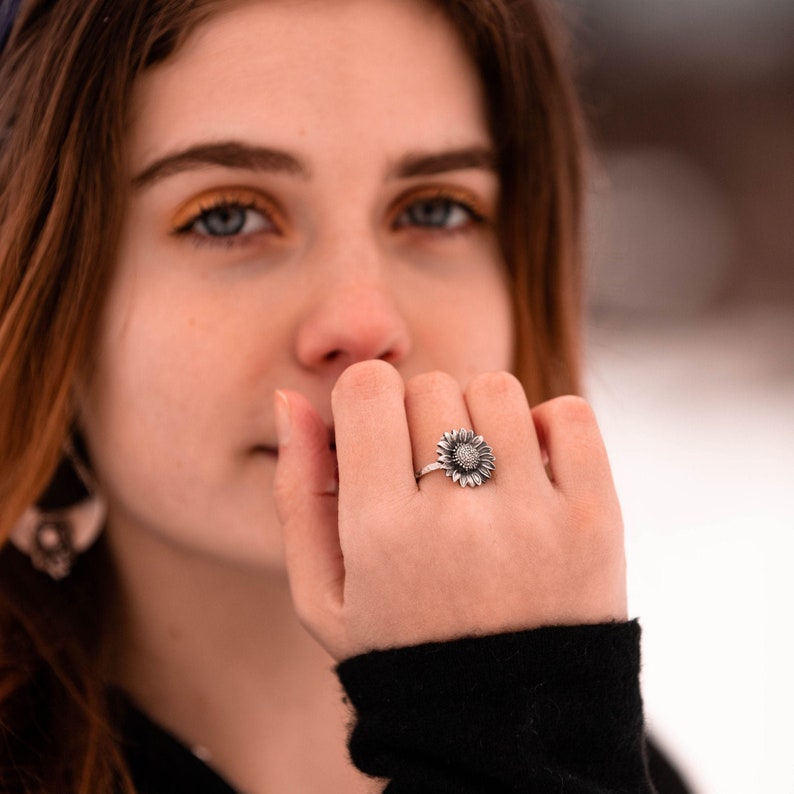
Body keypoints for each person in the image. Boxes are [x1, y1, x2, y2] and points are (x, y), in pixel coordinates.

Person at [0, 0, 692, 791]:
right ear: (40, 280)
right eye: (226, 217)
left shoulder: (606, 762)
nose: (364, 326)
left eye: (436, 209)